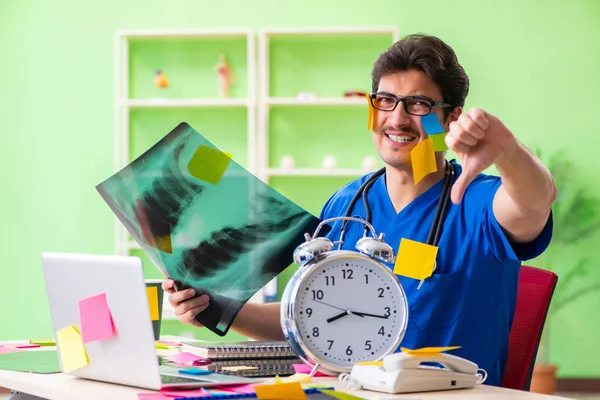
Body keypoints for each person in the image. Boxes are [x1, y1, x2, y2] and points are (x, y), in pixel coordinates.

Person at [163, 33, 556, 387]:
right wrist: (217, 309)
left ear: (450, 119)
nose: (397, 118)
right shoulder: (345, 206)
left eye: (418, 104)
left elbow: (534, 200)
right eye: (385, 101)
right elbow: (308, 322)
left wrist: (507, 150)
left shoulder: (476, 201)